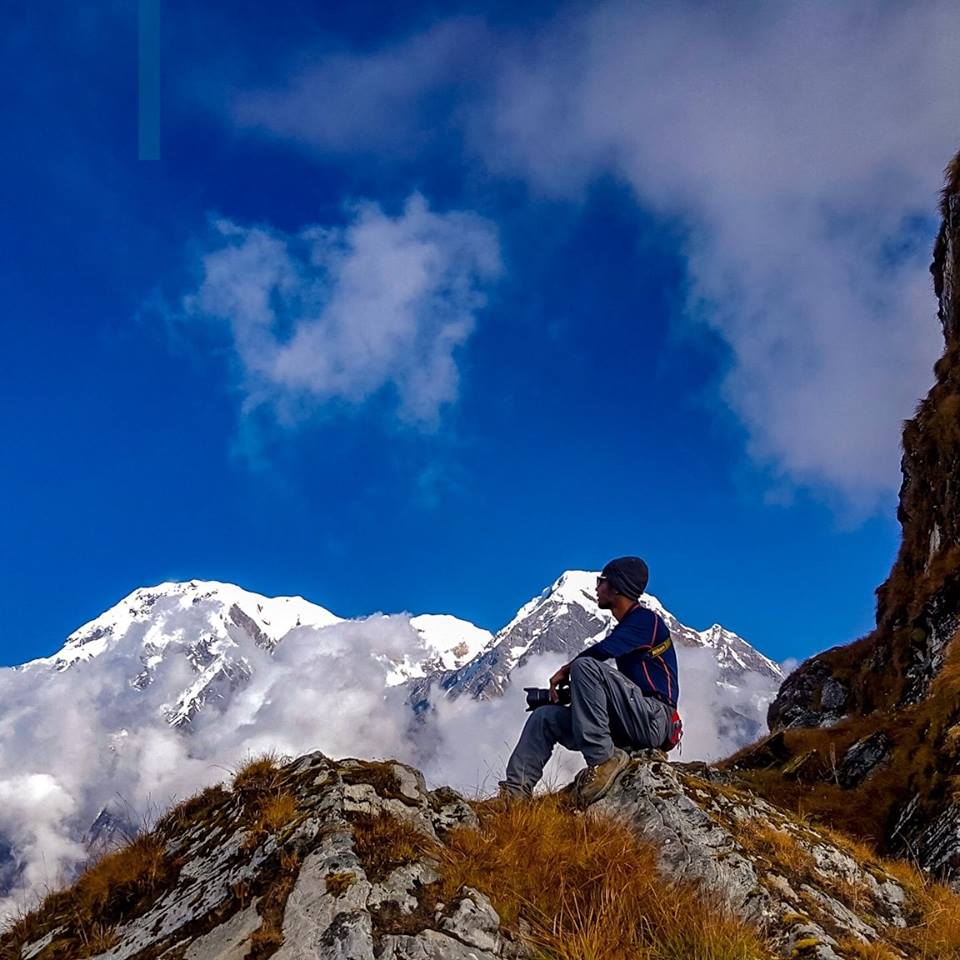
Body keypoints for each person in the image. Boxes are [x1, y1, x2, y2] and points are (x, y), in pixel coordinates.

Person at [498, 556, 680, 805]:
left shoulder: (646, 621)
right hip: (629, 719)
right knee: (544, 718)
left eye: (601, 581)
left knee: (586, 666)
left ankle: (603, 761)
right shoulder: (631, 627)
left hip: (654, 717)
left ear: (616, 587)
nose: (597, 588)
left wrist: (568, 668)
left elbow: (606, 650)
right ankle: (514, 794)